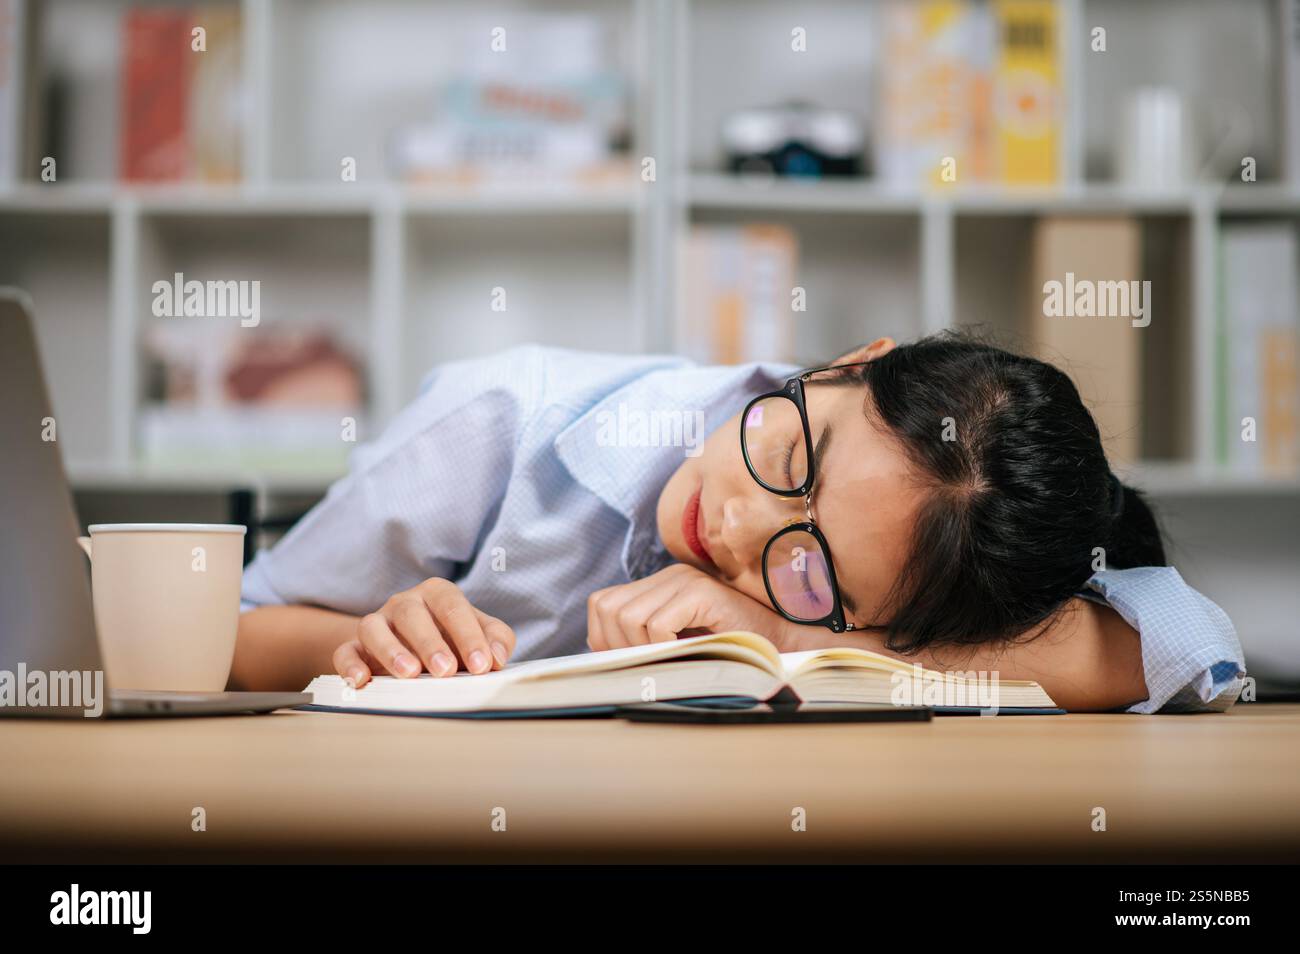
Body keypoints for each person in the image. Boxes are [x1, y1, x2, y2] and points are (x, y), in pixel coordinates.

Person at [232, 334, 1244, 712]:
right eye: (792, 456)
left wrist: (781, 634)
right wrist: (364, 640)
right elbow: (229, 637)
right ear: (847, 360)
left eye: (806, 567)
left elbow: (1182, 642)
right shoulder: (503, 419)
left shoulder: (855, 607)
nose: (736, 519)